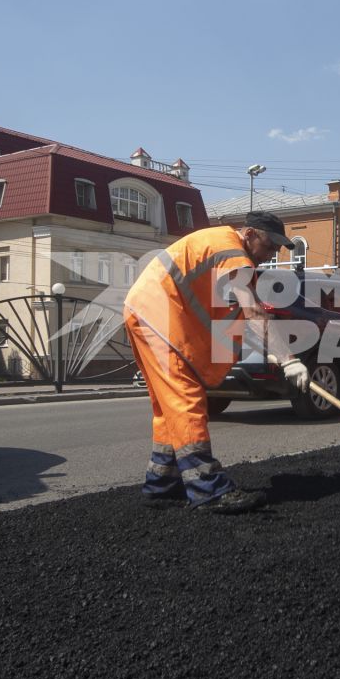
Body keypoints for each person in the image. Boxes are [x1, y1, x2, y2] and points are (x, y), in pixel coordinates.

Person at [122, 210, 311, 514]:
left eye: (277, 249)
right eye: (269, 245)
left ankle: (162, 483)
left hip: (147, 312)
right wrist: (289, 360)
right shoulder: (233, 253)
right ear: (249, 234)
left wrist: (271, 349)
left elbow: (236, 317)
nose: (271, 254)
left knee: (167, 408)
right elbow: (253, 311)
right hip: (158, 317)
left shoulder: (220, 248)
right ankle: (208, 489)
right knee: (187, 400)